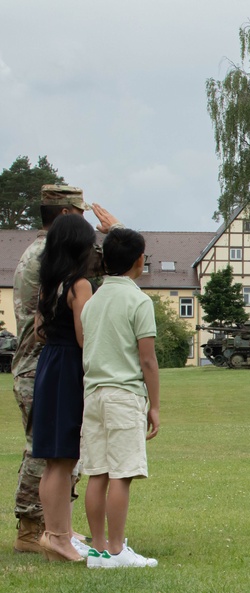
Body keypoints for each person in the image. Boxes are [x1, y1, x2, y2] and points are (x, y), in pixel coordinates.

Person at [11, 185, 120, 555]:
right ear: (65, 217)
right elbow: (124, 265)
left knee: (53, 454)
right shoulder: (64, 266)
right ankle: (38, 528)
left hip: (41, 362)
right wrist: (117, 232)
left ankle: (58, 528)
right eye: (81, 216)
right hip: (52, 363)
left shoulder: (44, 261)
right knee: (50, 454)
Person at [79, 227, 159, 568]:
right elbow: (147, 360)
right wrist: (154, 405)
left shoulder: (92, 301)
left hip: (93, 394)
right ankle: (115, 549)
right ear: (140, 261)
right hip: (124, 394)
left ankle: (97, 550)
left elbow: (86, 345)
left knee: (97, 472)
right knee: (120, 474)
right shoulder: (139, 301)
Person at [32, 213, 99, 561]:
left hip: (48, 365)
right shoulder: (80, 285)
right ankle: (57, 538)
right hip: (68, 369)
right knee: (63, 459)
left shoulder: (48, 284)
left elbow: (38, 331)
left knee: (53, 459)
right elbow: (84, 337)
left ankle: (61, 531)